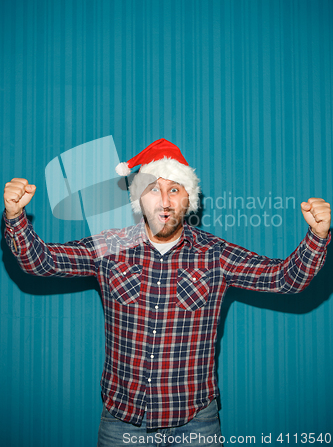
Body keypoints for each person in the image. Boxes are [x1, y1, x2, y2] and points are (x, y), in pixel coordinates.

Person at [3, 139, 331, 447]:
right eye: (152, 189)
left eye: (174, 189)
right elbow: (43, 262)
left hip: (196, 422)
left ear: (188, 198)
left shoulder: (215, 254)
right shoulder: (110, 246)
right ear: (137, 199)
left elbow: (285, 279)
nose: (164, 200)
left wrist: (317, 235)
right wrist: (16, 217)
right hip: (123, 422)